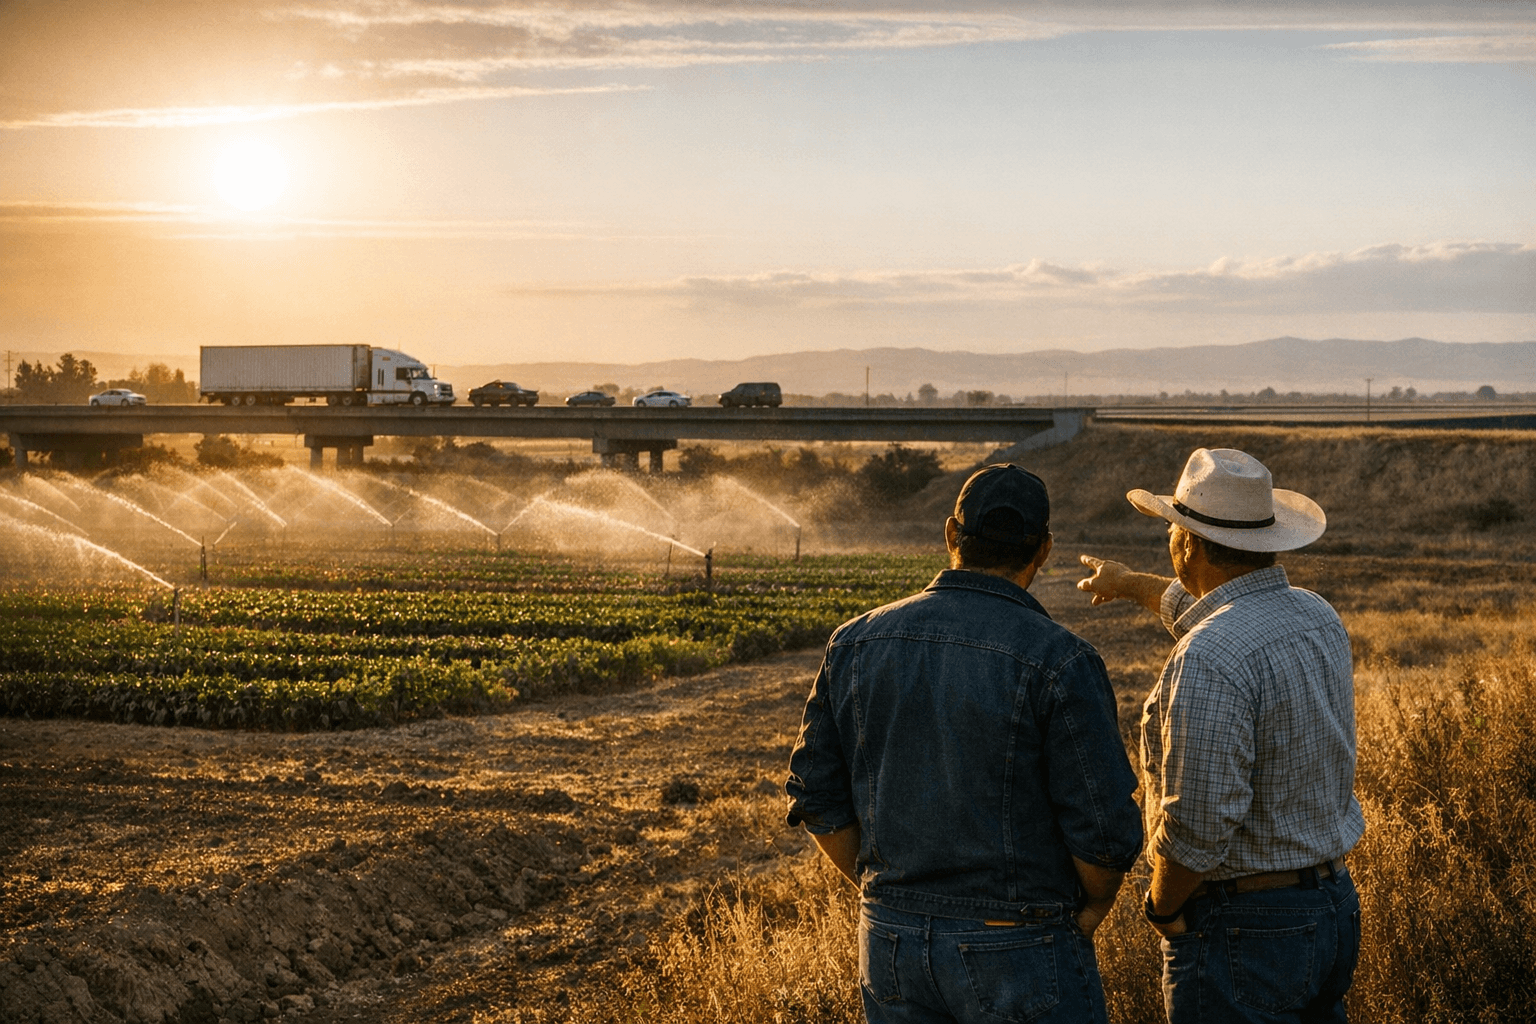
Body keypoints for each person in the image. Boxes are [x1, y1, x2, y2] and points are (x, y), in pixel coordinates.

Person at [786, 463, 1143, 1024]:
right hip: (1021, 939)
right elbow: (1102, 830)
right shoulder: (1063, 660)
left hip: (890, 943)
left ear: (951, 534)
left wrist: (888, 892)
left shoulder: (854, 642)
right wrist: (1096, 903)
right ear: (1044, 549)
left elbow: (815, 795)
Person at [1077, 447, 1364, 1024]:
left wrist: (1163, 908)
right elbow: (1215, 612)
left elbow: (1199, 823)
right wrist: (1132, 584)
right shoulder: (1314, 614)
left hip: (1245, 928)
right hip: (1331, 905)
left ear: (1186, 545)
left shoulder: (1209, 656)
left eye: (1171, 532)